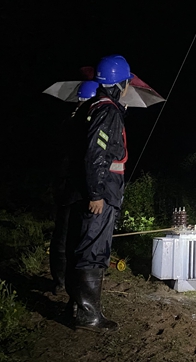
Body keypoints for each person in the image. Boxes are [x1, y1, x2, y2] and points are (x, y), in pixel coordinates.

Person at [66, 54, 133, 332]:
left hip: (98, 189)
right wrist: (96, 193)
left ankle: (79, 308)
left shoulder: (92, 107)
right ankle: (89, 314)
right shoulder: (108, 111)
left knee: (85, 246)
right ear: (121, 83)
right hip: (103, 191)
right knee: (94, 249)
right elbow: (97, 153)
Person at [49, 80, 99, 296]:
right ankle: (69, 282)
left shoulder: (66, 121)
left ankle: (59, 280)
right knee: (73, 238)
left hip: (62, 185)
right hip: (76, 187)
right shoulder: (84, 123)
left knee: (61, 233)